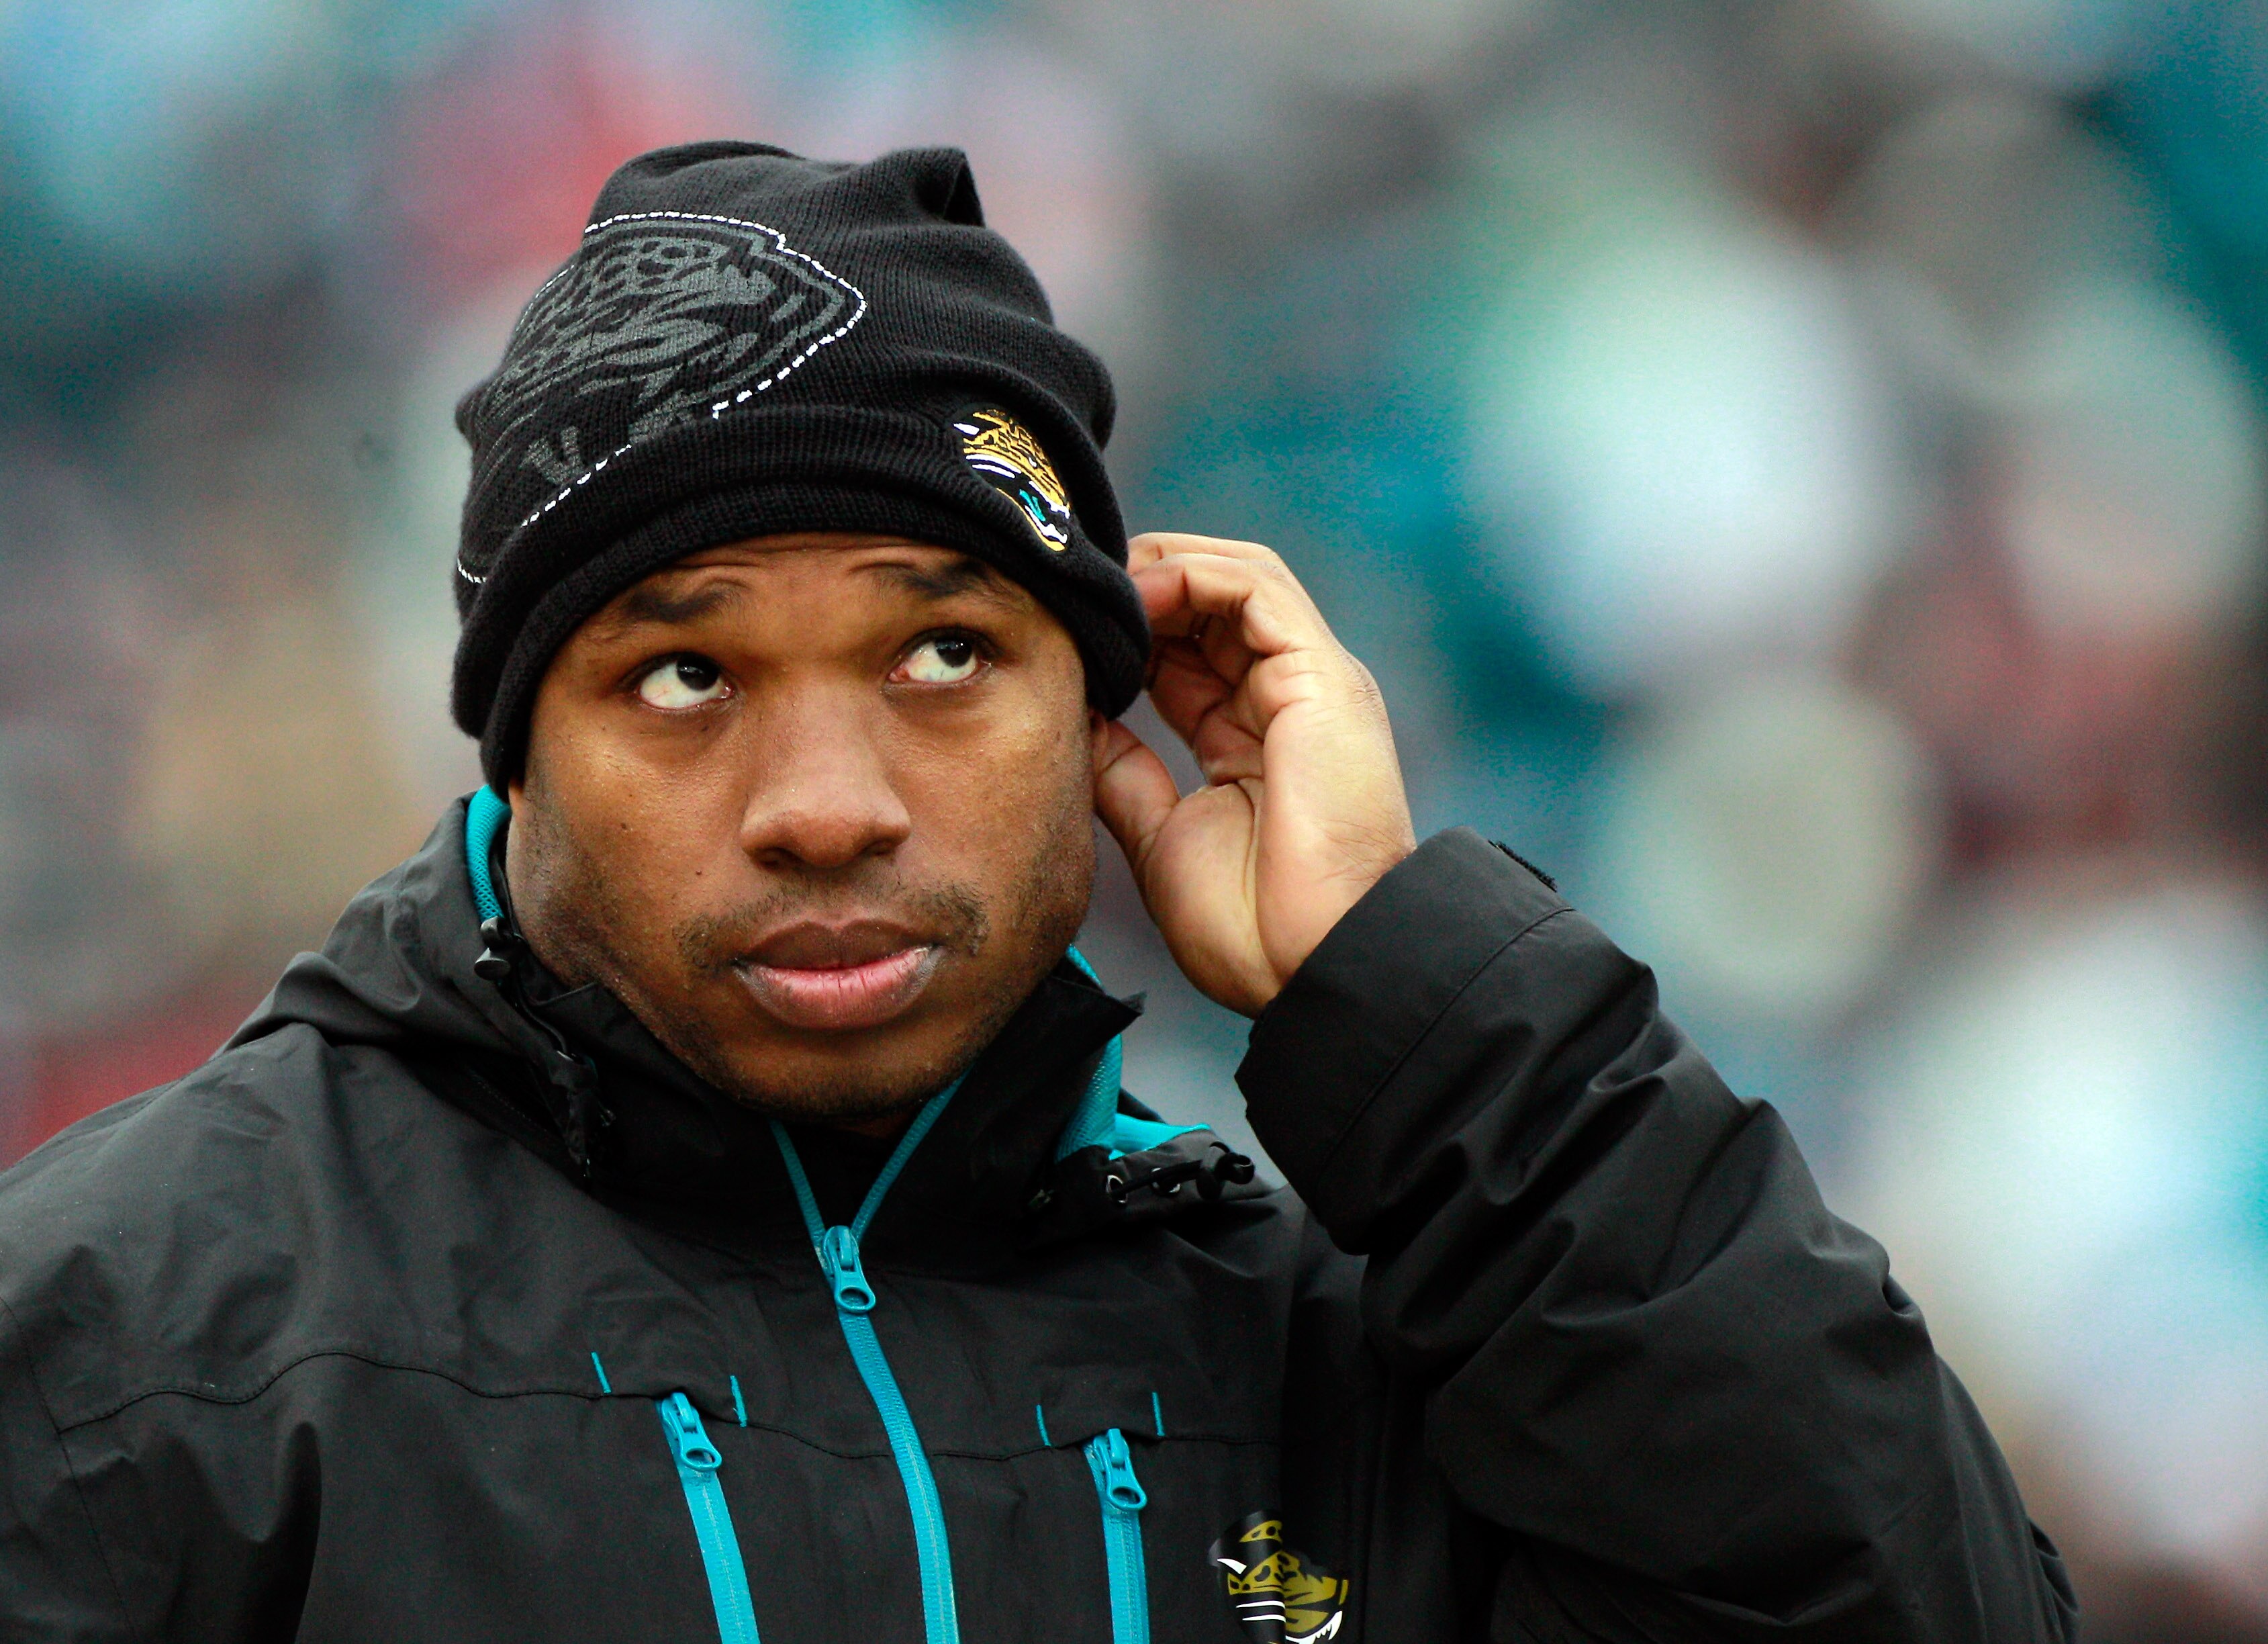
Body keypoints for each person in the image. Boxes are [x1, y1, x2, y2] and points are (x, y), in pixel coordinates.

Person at [0, 142, 2075, 1643]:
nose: (824, 805)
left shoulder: (1358, 1349)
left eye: (942, 656)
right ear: (518, 746)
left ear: (1110, 715)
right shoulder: (140, 1334)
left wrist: (1438, 1027)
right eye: (685, 673)